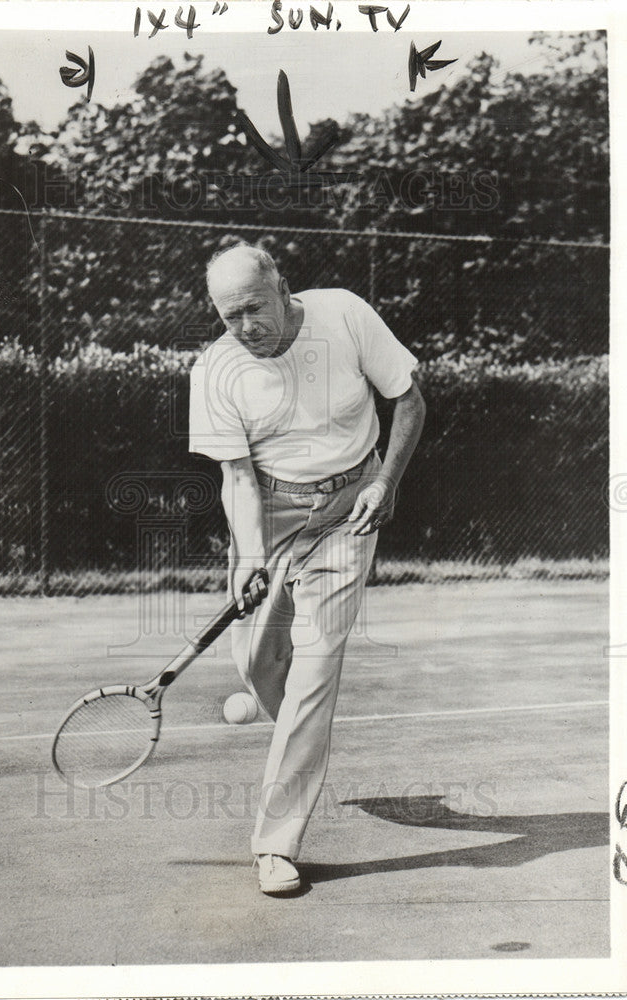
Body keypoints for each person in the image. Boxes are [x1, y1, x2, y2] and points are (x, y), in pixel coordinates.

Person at [189, 242, 425, 894]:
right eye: (227, 316)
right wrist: (251, 557)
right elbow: (236, 477)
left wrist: (388, 482)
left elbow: (409, 400)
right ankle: (298, 733)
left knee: (315, 662)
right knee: (259, 667)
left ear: (282, 288)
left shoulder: (344, 316)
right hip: (270, 512)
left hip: (352, 509)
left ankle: (276, 843)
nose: (244, 329)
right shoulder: (215, 370)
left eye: (253, 310)